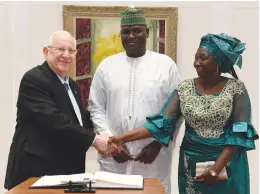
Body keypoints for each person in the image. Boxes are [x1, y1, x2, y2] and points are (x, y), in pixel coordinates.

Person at [108, 33, 259, 194]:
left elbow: (239, 134)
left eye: (203, 58)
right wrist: (121, 138)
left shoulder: (236, 89)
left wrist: (216, 169)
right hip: (192, 163)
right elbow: (160, 125)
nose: (196, 63)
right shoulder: (185, 88)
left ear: (218, 61)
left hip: (227, 165)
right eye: (195, 58)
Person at [88, 6, 181, 194]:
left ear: (146, 32)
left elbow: (176, 112)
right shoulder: (107, 66)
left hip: (154, 157)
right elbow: (96, 107)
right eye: (126, 32)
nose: (131, 36)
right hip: (114, 159)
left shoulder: (166, 65)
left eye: (136, 30)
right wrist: (111, 142)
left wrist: (159, 143)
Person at [4, 31, 113, 190]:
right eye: (60, 49)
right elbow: (53, 121)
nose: (66, 55)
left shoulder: (72, 86)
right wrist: (95, 140)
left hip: (67, 172)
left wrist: (112, 116)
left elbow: (80, 118)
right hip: (36, 173)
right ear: (46, 52)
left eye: (71, 51)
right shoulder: (34, 79)